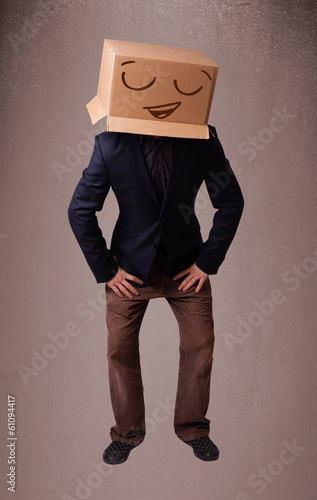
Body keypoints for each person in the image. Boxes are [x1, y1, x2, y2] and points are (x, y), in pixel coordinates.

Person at [68, 125, 244, 464]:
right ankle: (126, 433)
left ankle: (193, 428)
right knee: (119, 350)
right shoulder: (110, 144)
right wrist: (106, 270)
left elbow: (231, 201)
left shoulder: (201, 138)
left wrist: (207, 261)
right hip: (131, 269)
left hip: (186, 265)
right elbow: (79, 210)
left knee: (200, 345)